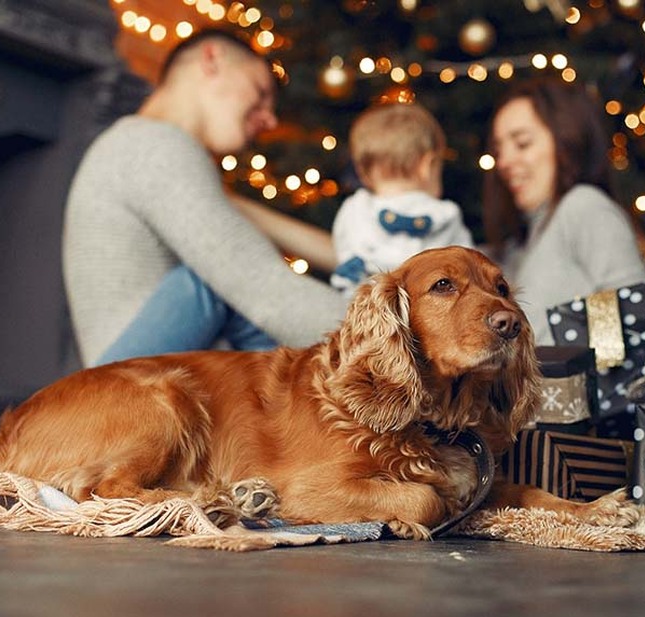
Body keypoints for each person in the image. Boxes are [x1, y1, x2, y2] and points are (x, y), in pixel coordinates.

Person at [62, 28, 348, 368]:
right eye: (260, 92)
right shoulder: (154, 145)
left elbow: (312, 255)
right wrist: (396, 337)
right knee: (219, 284)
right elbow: (265, 289)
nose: (270, 118)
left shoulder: (136, 148)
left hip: (128, 383)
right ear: (212, 59)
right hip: (127, 391)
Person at [482, 76, 645, 345]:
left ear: (567, 140)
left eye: (522, 143)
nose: (504, 161)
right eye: (498, 150)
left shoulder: (583, 207)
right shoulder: (521, 247)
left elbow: (636, 322)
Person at [329, 102, 474, 296]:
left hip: (370, 312)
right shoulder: (446, 215)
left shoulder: (354, 209)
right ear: (428, 166)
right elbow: (470, 268)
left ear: (363, 174)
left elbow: (344, 255)